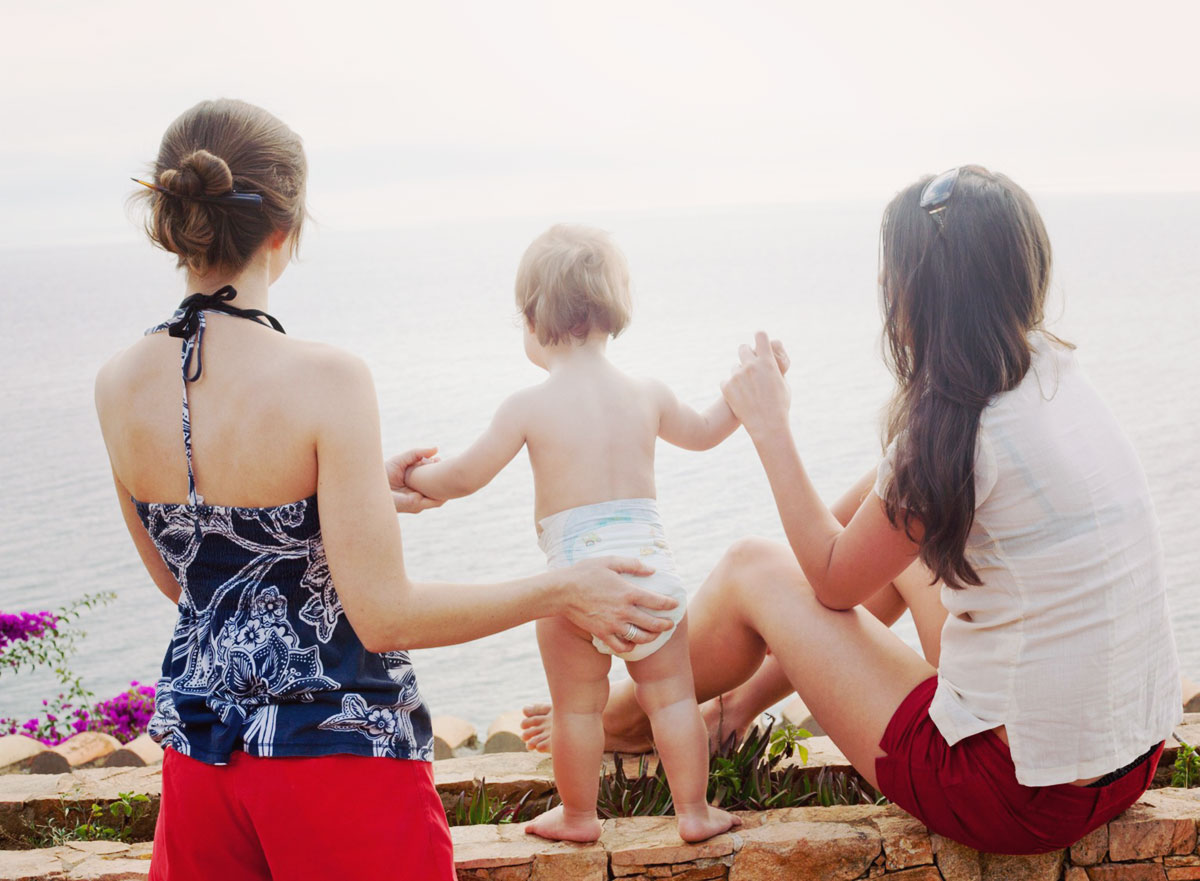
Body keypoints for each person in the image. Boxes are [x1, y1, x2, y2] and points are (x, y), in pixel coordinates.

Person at [94, 100, 678, 881]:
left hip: (201, 764)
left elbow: (195, 584)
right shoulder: (327, 378)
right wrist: (563, 587)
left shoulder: (116, 384)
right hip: (338, 764)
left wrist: (357, 496)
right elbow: (383, 615)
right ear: (286, 229)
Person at [522, 167, 1182, 855]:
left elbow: (835, 580)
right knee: (878, 510)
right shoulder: (1046, 372)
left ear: (916, 295)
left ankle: (629, 715)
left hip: (1014, 793)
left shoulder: (949, 434)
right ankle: (731, 707)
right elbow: (874, 535)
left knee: (756, 567)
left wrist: (769, 426)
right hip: (1123, 758)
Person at [403, 224, 755, 843]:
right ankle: (694, 813)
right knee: (671, 700)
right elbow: (705, 431)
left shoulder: (528, 405)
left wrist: (412, 478)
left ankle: (578, 816)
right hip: (652, 577)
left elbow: (464, 477)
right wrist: (744, 392)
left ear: (534, 319)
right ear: (612, 308)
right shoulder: (647, 393)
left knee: (577, 708)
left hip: (573, 580)